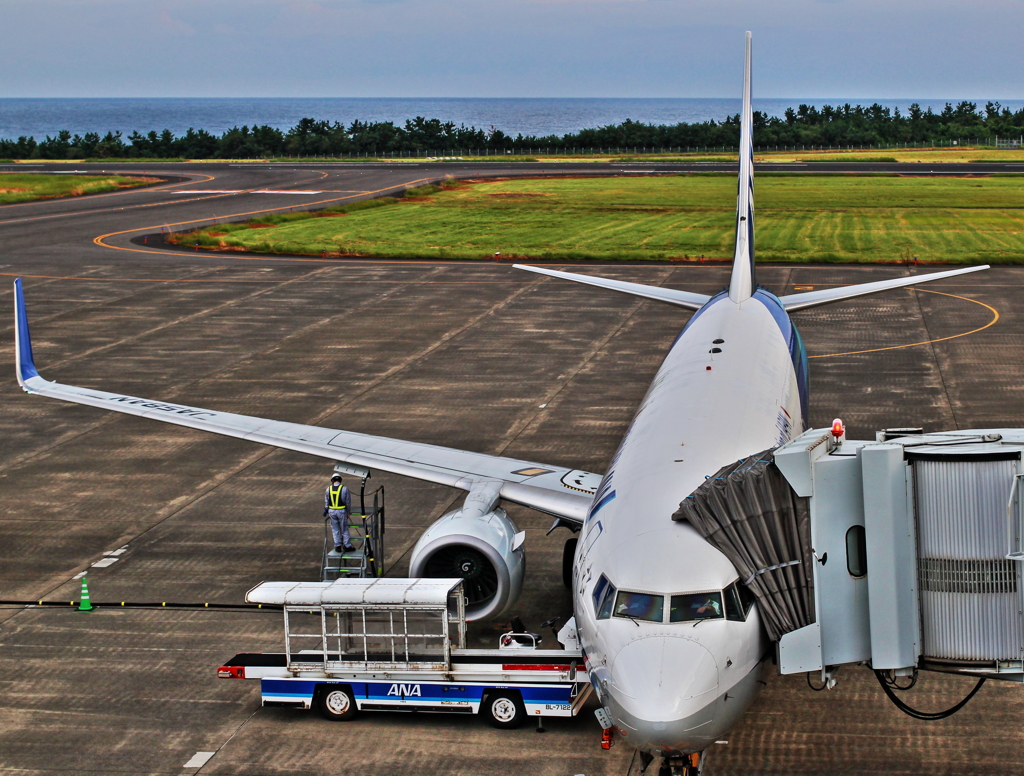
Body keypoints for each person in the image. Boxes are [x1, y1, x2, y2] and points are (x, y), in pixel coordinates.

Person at [324, 473, 355, 553]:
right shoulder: (344, 489)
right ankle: (347, 546)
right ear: (340, 480)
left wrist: (326, 510)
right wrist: (348, 512)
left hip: (332, 511)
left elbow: (327, 501)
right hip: (342, 511)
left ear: (332, 480)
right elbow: (348, 502)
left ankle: (338, 546)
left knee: (335, 529)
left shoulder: (328, 489)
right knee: (344, 529)